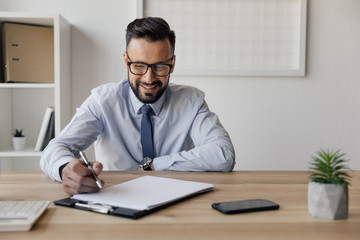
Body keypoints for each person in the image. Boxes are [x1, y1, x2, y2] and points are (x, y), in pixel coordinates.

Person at [40, 17, 235, 195]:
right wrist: (65, 168)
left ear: (172, 63)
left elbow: (223, 154)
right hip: (114, 197)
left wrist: (154, 165)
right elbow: (56, 148)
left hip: (176, 198)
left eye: (160, 67)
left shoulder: (191, 101)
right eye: (139, 66)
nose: (149, 79)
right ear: (126, 61)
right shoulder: (102, 101)